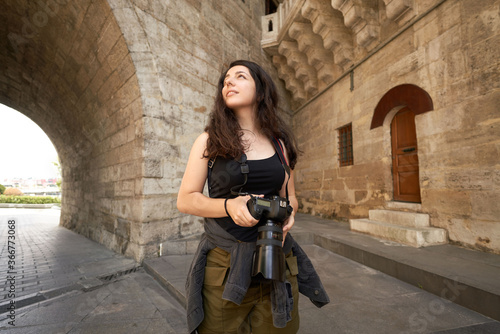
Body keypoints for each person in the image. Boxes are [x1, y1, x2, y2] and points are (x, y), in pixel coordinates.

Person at [177, 60, 329, 334]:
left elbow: (291, 197)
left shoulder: (280, 144)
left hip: (276, 261)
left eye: (240, 76)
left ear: (260, 92)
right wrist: (229, 206)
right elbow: (186, 199)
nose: (229, 82)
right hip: (224, 267)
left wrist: (289, 215)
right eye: (226, 80)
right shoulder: (209, 141)